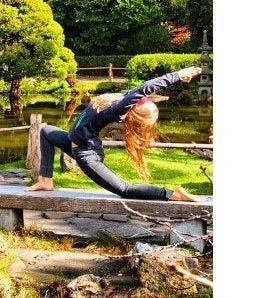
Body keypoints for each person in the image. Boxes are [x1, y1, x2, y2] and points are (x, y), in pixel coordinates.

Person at [25, 66, 204, 202]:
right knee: (46, 131)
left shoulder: (119, 109)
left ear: (137, 108)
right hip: (77, 142)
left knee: (124, 190)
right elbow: (145, 89)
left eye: (147, 102)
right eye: (149, 100)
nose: (147, 98)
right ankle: (45, 180)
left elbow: (144, 88)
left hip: (87, 156)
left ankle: (173, 195)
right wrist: (180, 76)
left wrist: (178, 75)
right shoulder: (122, 99)